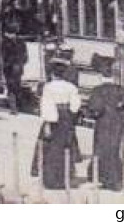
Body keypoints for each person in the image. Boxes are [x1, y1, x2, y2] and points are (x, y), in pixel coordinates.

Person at [37, 60, 81, 191]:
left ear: (52, 74)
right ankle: (65, 178)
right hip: (66, 117)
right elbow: (75, 105)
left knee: (51, 149)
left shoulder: (48, 87)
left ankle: (52, 180)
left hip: (54, 118)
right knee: (66, 147)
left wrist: (48, 123)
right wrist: (71, 116)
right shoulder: (71, 87)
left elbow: (47, 105)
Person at [84, 74, 124, 191]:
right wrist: (119, 110)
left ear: (101, 78)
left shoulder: (98, 90)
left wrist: (92, 114)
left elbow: (95, 108)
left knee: (101, 148)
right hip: (117, 122)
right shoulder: (120, 89)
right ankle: (115, 178)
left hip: (103, 122)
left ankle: (102, 177)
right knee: (114, 149)